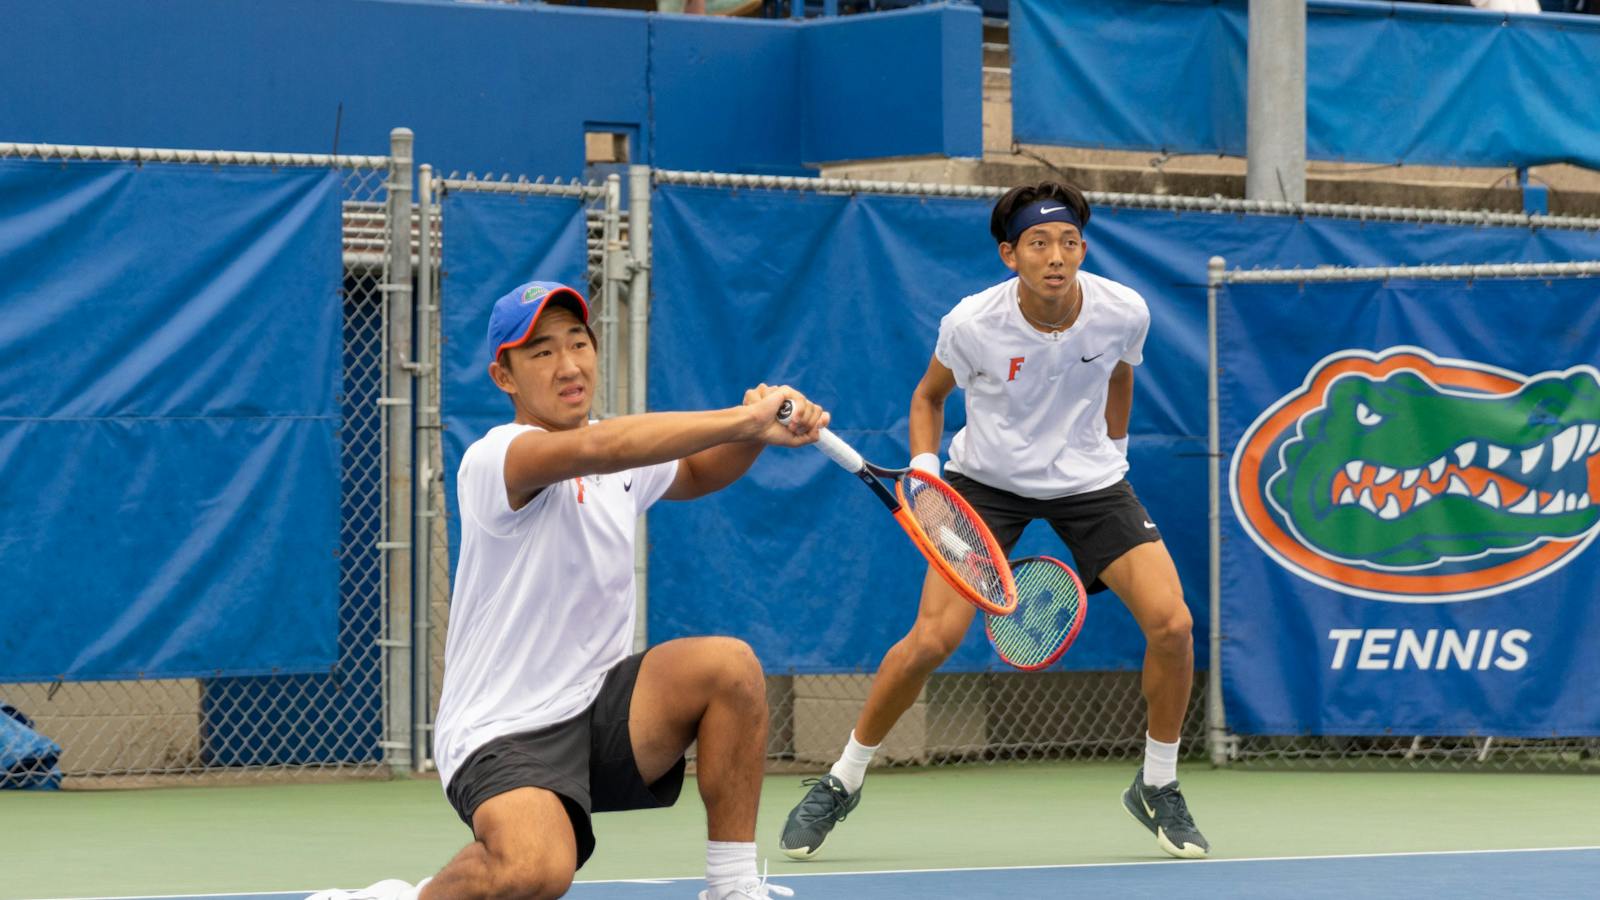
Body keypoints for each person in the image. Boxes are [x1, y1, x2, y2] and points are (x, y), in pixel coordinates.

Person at [313, 281, 825, 900]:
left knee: (730, 668)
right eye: (543, 353)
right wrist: (742, 417)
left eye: (578, 343)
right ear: (504, 375)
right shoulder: (496, 458)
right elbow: (600, 448)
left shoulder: (621, 458)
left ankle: (733, 886)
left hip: (600, 710)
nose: (569, 365)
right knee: (534, 871)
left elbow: (693, 470)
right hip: (503, 729)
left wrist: (753, 436)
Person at [778, 182, 1210, 862]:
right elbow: (928, 397)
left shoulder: (1123, 310)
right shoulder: (972, 324)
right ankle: (844, 778)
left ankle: (1157, 783)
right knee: (931, 640)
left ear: (1083, 250)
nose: (1056, 256)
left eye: (1069, 242)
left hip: (1091, 481)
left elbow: (1122, 375)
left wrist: (1116, 452)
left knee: (1174, 625)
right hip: (986, 483)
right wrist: (924, 479)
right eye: (1039, 243)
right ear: (1011, 255)